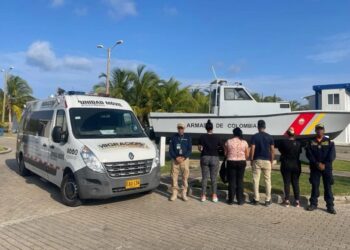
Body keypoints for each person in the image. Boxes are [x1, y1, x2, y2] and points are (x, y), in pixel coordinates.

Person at [306, 124, 336, 214]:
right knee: (315, 186)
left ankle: (330, 206)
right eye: (318, 129)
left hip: (327, 168)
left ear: (324, 130)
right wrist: (317, 163)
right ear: (315, 131)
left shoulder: (329, 142)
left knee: (328, 187)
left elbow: (332, 155)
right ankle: (313, 204)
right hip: (315, 168)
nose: (319, 131)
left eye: (321, 129)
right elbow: (309, 154)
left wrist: (324, 164)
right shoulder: (311, 142)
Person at [250, 120, 275, 206]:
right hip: (267, 160)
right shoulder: (270, 137)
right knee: (267, 180)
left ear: (258, 127)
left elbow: (252, 148)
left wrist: (251, 159)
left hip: (257, 160)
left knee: (256, 180)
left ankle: (256, 199)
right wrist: (271, 160)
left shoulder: (254, 137)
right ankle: (268, 200)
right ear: (265, 127)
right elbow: (272, 150)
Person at [277, 127, 302, 207]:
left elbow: (281, 150)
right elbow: (300, 152)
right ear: (294, 134)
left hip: (286, 164)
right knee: (295, 182)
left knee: (287, 182)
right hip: (296, 165)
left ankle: (287, 200)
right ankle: (297, 201)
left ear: (287, 134)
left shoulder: (283, 142)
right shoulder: (298, 143)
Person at [198, 120, 221, 202]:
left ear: (206, 128)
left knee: (204, 178)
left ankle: (203, 195)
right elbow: (220, 147)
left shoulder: (202, 137)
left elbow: (200, 148)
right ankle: (214, 196)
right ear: (212, 128)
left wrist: (202, 150)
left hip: (205, 157)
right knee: (214, 178)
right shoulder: (217, 137)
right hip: (215, 158)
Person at [224, 127, 249, 205]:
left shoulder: (228, 141)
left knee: (231, 181)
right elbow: (247, 154)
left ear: (233, 133)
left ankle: (231, 200)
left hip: (231, 162)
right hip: (241, 162)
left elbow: (225, 153)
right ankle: (240, 200)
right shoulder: (244, 142)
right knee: (240, 181)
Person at [169, 122, 192, 201]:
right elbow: (170, 149)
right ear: (177, 129)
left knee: (185, 177)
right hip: (175, 160)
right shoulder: (173, 137)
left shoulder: (188, 137)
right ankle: (174, 193)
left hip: (184, 160)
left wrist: (184, 157)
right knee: (173, 177)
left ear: (184, 129)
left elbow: (189, 150)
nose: (180, 129)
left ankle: (183, 193)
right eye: (179, 128)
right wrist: (176, 157)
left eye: (181, 128)